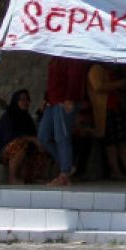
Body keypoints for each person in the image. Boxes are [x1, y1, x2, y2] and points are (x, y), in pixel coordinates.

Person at [38, 55, 87, 187]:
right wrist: (46, 98)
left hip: (63, 101)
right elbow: (52, 80)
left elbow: (75, 75)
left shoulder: (71, 53)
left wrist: (70, 98)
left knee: (62, 136)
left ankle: (65, 172)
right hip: (52, 101)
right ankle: (67, 164)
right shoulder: (55, 56)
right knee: (43, 135)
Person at [88, 62, 126, 180]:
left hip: (115, 107)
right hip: (105, 110)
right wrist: (117, 84)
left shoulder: (108, 70)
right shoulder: (96, 68)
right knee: (111, 143)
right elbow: (98, 86)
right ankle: (116, 171)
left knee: (121, 140)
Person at [0, 89, 45, 185]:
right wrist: (31, 139)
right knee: (19, 143)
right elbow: (11, 136)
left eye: (27, 99)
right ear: (16, 101)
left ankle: (30, 177)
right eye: (22, 99)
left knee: (41, 146)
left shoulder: (27, 118)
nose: (25, 102)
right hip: (1, 153)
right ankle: (12, 178)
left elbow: (34, 134)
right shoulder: (8, 116)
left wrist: (37, 143)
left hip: (20, 151)